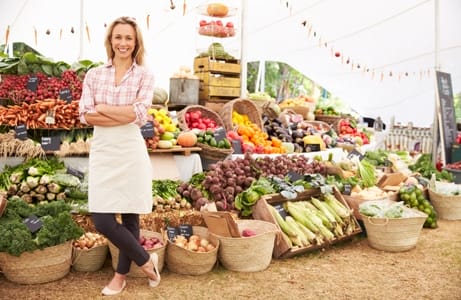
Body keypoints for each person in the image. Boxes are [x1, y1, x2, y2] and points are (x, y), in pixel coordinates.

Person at [79, 16, 160, 296]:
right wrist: (119, 113)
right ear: (110, 41)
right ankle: (146, 260)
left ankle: (120, 276)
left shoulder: (144, 75)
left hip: (130, 149)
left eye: (128, 38)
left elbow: (138, 115)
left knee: (130, 216)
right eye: (118, 37)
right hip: (103, 150)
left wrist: (103, 108)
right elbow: (85, 115)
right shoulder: (94, 74)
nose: (123, 43)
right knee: (101, 218)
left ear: (136, 42)